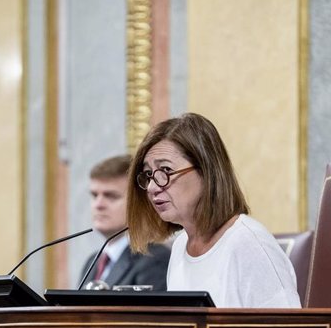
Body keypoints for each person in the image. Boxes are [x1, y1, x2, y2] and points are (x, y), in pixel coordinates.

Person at [126, 113, 301, 308]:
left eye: (165, 171)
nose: (151, 187)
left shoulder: (248, 242)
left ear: (206, 171)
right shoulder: (180, 246)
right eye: (149, 175)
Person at [79, 154, 170, 290]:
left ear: (140, 202)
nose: (98, 204)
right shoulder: (92, 262)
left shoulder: (154, 258)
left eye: (111, 196)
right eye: (94, 195)